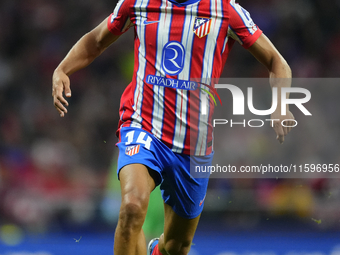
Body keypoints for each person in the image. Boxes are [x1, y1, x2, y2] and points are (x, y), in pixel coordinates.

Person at [52, 0, 295, 254]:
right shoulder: (137, 4)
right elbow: (96, 41)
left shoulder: (224, 10)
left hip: (193, 145)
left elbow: (277, 62)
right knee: (132, 207)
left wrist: (281, 105)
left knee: (176, 247)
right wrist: (63, 69)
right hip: (142, 125)